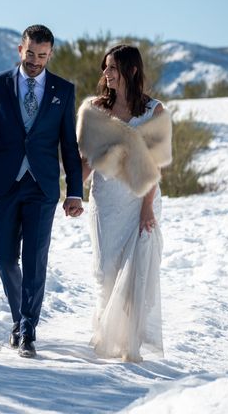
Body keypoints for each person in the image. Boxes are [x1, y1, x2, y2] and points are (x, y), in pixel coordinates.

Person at [0, 24, 84, 358]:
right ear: (20, 49)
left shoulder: (63, 89)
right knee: (4, 258)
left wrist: (74, 190)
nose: (35, 61)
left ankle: (27, 330)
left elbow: (68, 144)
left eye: (42, 55)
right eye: (30, 53)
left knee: (35, 260)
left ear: (50, 54)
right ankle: (19, 317)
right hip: (3, 185)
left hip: (43, 187)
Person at [76, 44, 172, 362]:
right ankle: (107, 331)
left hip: (140, 200)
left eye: (113, 68)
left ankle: (128, 344)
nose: (106, 73)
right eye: (105, 67)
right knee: (106, 270)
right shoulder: (95, 110)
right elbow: (86, 162)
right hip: (105, 203)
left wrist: (147, 206)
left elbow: (155, 165)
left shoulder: (154, 111)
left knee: (137, 272)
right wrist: (73, 192)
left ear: (131, 70)